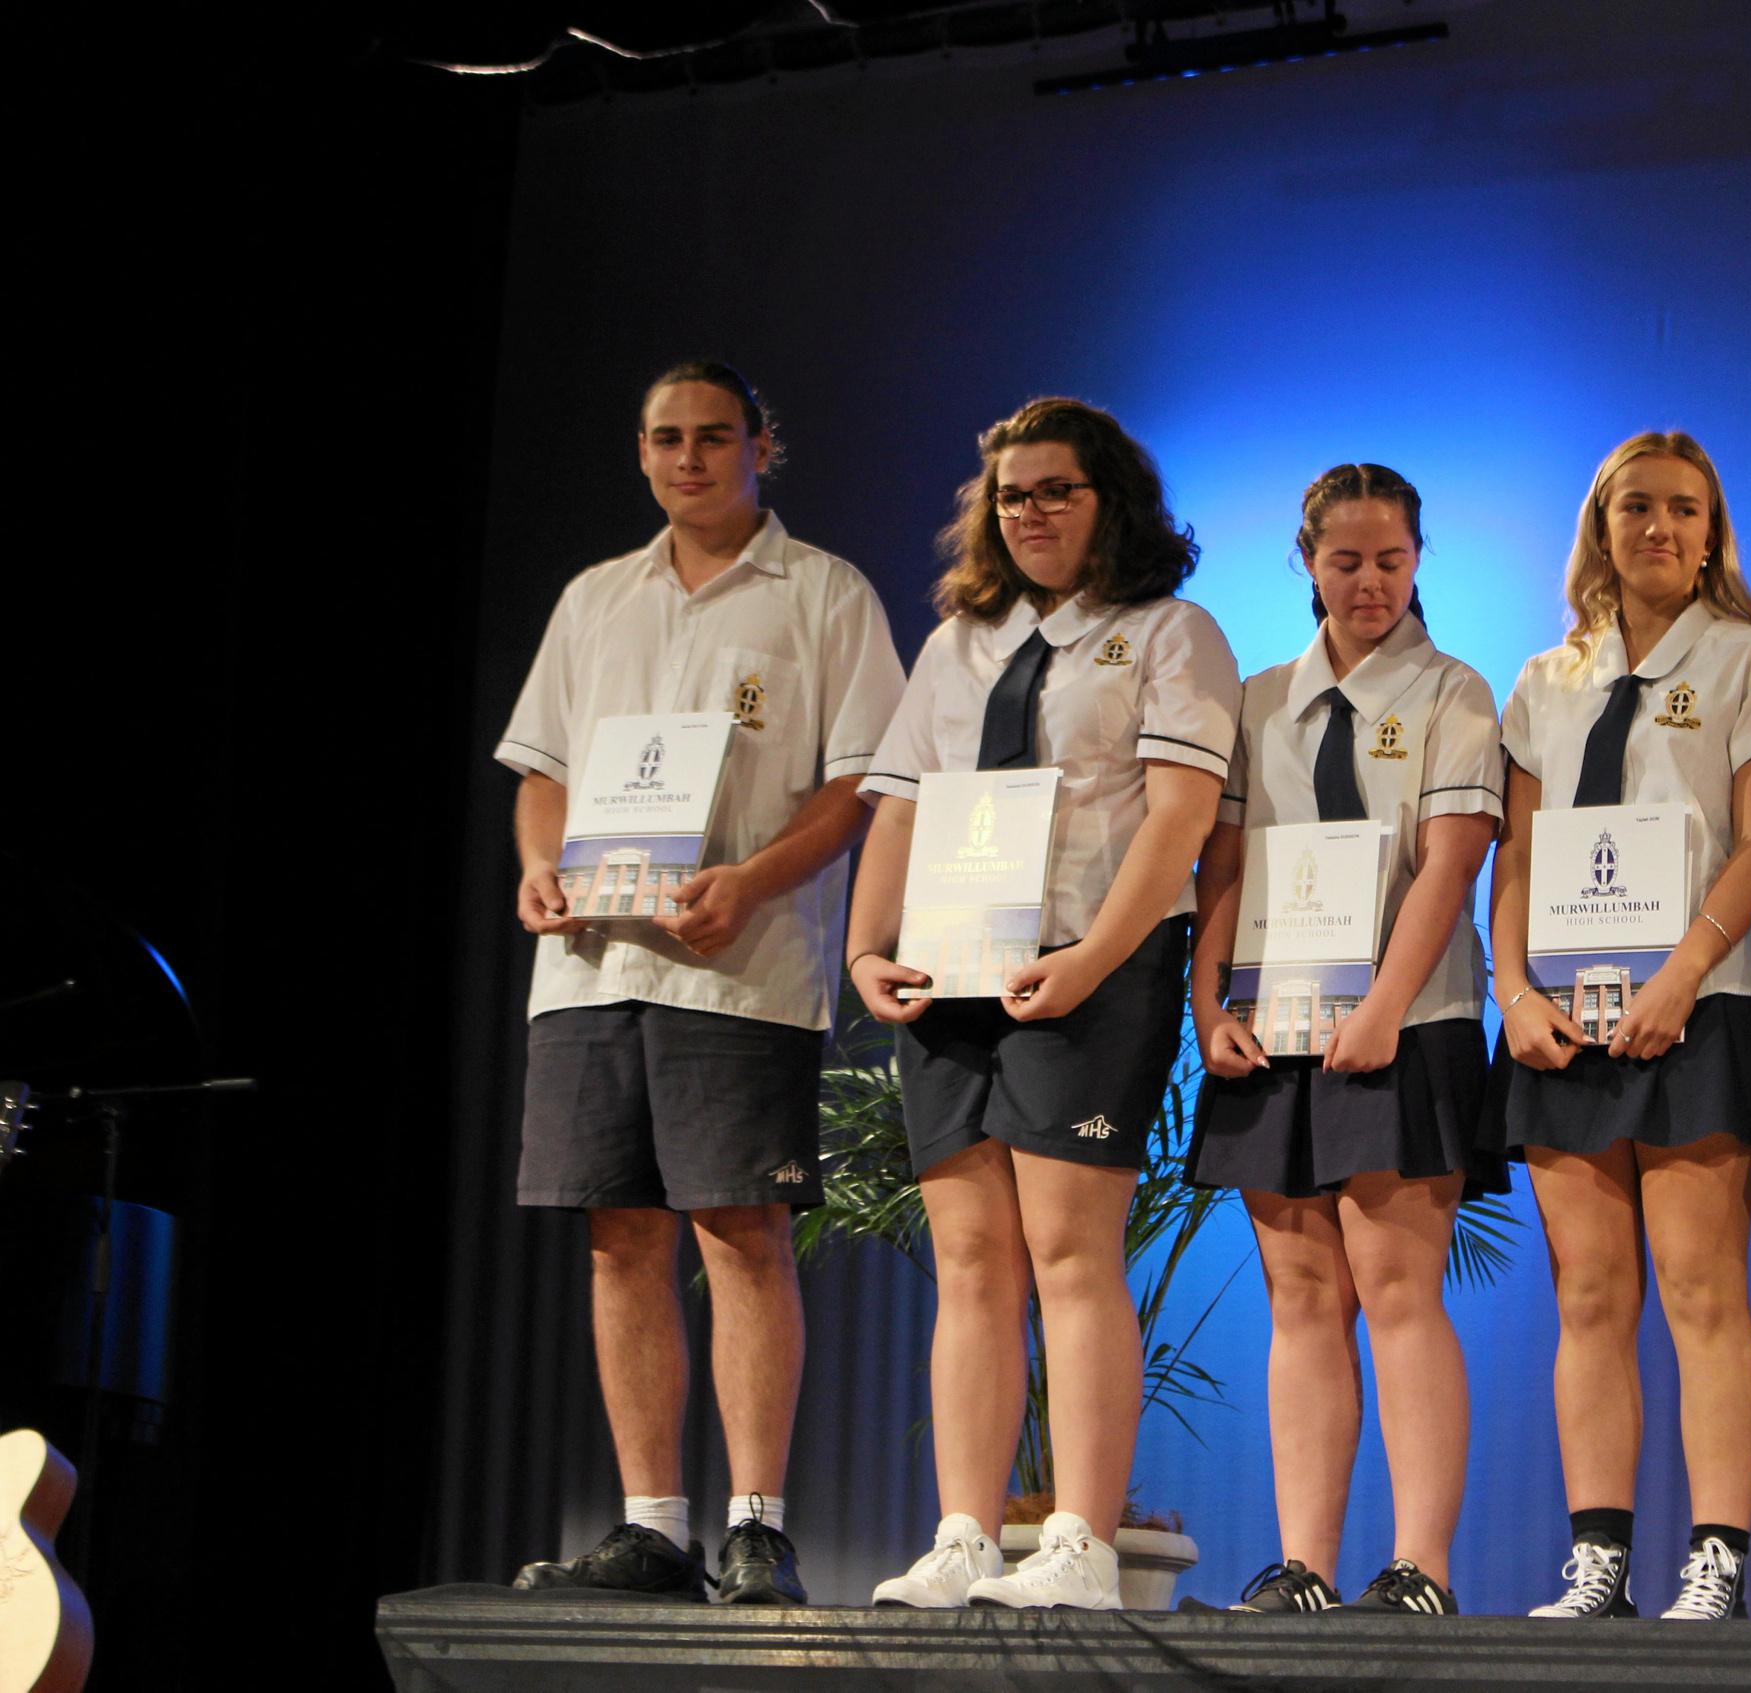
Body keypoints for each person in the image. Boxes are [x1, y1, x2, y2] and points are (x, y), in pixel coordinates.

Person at [498, 361, 906, 1604]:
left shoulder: (823, 593)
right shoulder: (595, 598)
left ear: (761, 447)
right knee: (619, 1239)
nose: (690, 459)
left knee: (741, 1230)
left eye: (714, 437)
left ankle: (757, 1523)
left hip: (740, 967)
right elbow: (543, 771)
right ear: (640, 452)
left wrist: (754, 879)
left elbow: (864, 784)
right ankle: (653, 1523)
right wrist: (534, 868)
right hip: (587, 965)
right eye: (667, 439)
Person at [849, 397, 1239, 1611]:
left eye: (1056, 490)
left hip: (1092, 968)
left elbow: (1178, 818)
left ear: (1110, 499)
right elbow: (903, 803)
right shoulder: (959, 641)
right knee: (970, 1260)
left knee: (1072, 1255)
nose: (1030, 513)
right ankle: (965, 1532)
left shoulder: (1170, 631)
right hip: (954, 970)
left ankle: (1079, 1536)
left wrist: (1091, 959)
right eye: (1012, 495)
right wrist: (868, 949)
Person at [1488, 433, 1751, 1622]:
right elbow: (1514, 853)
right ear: (1600, 526)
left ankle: (1715, 1559)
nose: (1659, 528)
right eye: (1636, 507)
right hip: (1563, 1021)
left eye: (1684, 509)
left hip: (1698, 1011)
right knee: (1587, 1296)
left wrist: (1683, 973)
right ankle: (1597, 1560)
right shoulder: (1545, 680)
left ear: (1714, 533)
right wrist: (1512, 992)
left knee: (1700, 1290)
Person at [1187, 464, 1505, 1618]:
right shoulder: (1259, 700)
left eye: (1390, 560)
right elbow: (1222, 867)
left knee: (1398, 1284)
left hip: (1406, 1024)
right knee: (1301, 1293)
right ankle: (1304, 1564)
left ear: (1419, 561)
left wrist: (1380, 1010)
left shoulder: (1453, 693)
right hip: (1272, 1026)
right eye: (1345, 560)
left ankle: (1421, 1565)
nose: (1369, 583)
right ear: (1306, 561)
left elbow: (1452, 864)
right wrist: (1206, 1002)